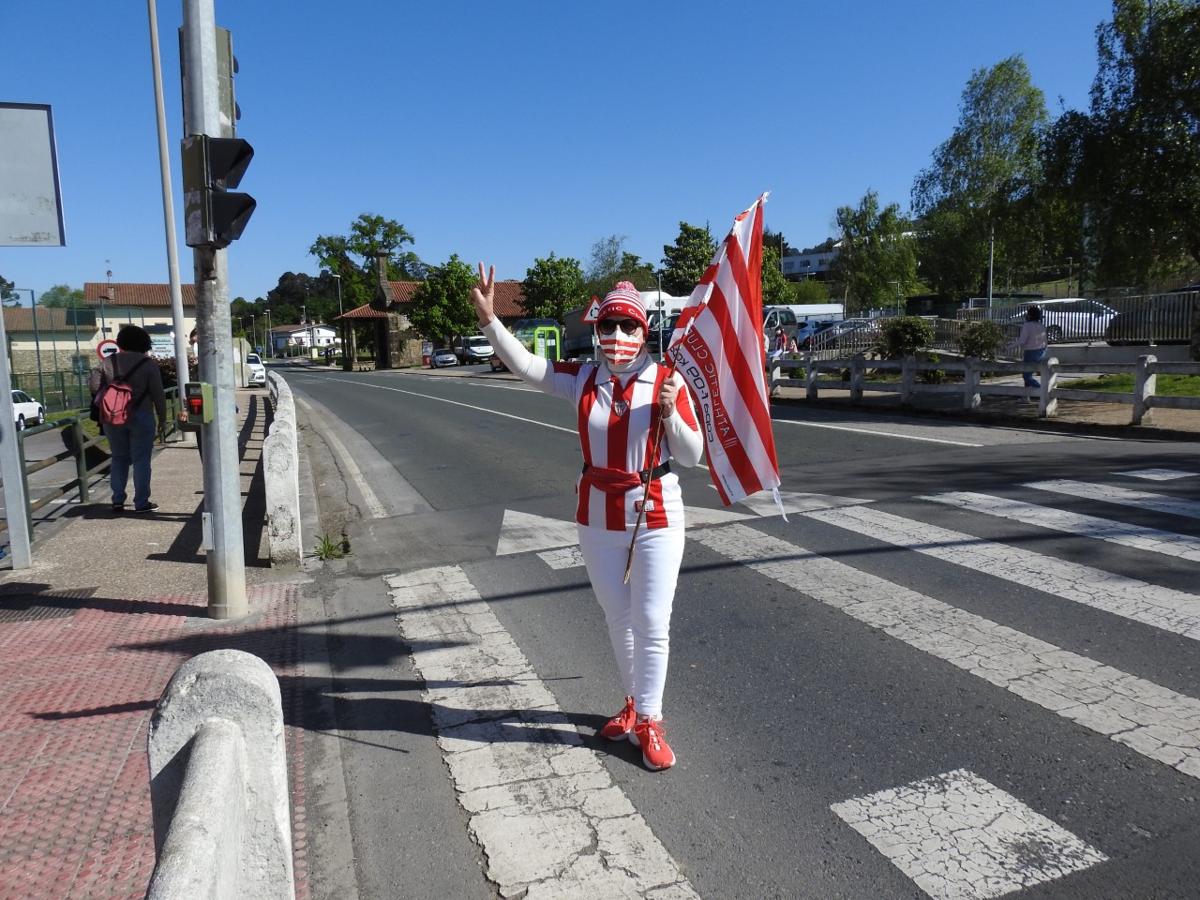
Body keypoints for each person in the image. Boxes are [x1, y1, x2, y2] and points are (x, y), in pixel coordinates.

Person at [471, 266, 703, 771]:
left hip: (656, 512)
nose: (617, 336)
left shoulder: (667, 380)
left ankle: (650, 719)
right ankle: (631, 700)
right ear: (597, 331)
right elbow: (529, 366)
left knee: (650, 619)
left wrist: (670, 415)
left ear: (645, 331)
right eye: (608, 326)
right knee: (617, 616)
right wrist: (491, 321)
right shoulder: (583, 378)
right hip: (596, 515)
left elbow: (691, 455)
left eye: (628, 326)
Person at [89, 325, 166, 513]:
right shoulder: (148, 364)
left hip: (113, 417)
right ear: (144, 342)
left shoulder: (107, 362)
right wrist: (163, 418)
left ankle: (117, 499)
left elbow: (93, 386)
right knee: (141, 460)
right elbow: (158, 394)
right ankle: (141, 502)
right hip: (141, 414)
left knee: (119, 458)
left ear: (121, 341)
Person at [1016, 305, 1048, 390]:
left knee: (1026, 376)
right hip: (1041, 352)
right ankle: (1026, 396)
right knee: (1029, 375)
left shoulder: (1027, 325)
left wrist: (1008, 346)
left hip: (1030, 352)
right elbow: (1045, 342)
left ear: (1029, 315)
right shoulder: (1041, 326)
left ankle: (1041, 390)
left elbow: (1021, 341)